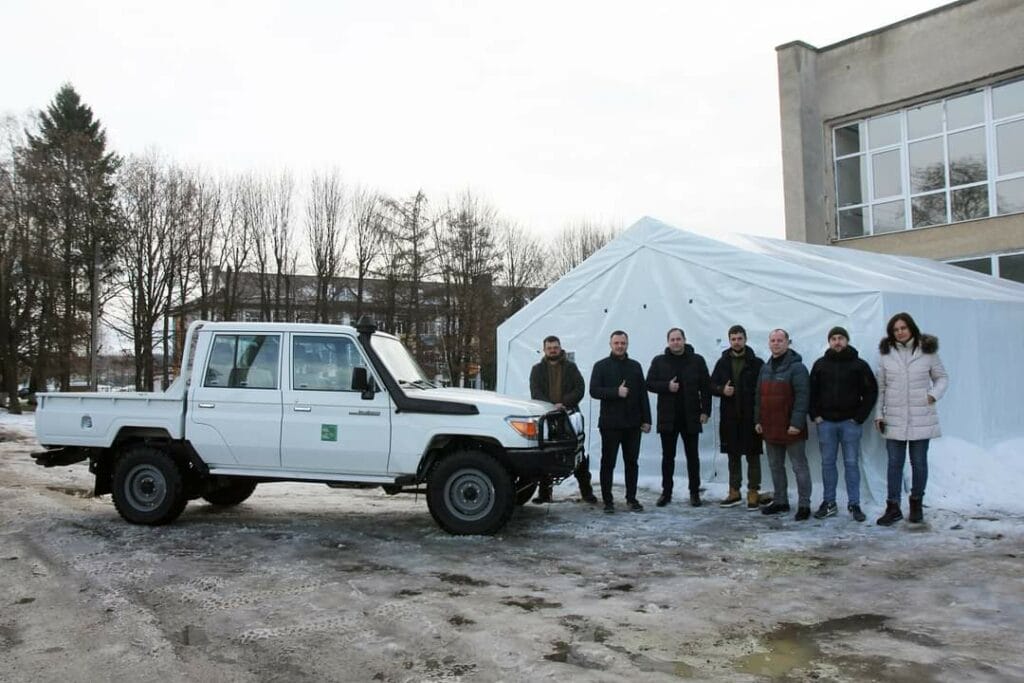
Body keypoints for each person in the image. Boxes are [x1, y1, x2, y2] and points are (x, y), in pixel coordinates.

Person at [874, 313, 948, 526]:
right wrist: (879, 414)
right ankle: (893, 507)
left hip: (920, 416)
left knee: (919, 462)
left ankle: (916, 504)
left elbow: (942, 377)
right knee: (894, 464)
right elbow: (881, 387)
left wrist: (932, 395)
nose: (900, 332)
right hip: (894, 417)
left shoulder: (927, 352)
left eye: (903, 328)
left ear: (911, 328)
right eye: (896, 329)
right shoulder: (886, 354)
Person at [808, 326, 878, 522]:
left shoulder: (859, 365)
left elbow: (871, 392)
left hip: (850, 423)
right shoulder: (820, 365)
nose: (837, 341)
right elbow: (811, 392)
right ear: (829, 342)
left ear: (847, 340)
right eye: (833, 338)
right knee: (827, 463)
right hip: (826, 423)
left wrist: (859, 417)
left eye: (840, 338)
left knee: (851, 463)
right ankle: (829, 502)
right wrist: (815, 415)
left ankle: (854, 504)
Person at [646, 327, 711, 507]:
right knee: (668, 457)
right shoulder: (659, 361)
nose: (675, 342)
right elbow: (649, 383)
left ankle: (694, 493)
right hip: (668, 417)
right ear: (668, 342)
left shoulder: (697, 360)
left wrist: (705, 411)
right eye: (672, 339)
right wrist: (666, 386)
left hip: (691, 416)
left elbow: (705, 387)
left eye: (678, 339)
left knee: (693, 457)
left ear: (684, 340)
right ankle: (666, 493)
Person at [529, 335, 597, 504]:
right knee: (545, 454)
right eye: (549, 348)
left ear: (560, 348)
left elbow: (580, 388)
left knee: (578, 453)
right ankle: (544, 493)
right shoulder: (537, 369)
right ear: (544, 350)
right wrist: (551, 406)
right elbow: (535, 391)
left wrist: (564, 403)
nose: (553, 350)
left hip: (569, 415)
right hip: (547, 416)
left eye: (555, 347)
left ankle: (586, 492)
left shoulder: (571, 367)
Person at [589, 330, 652, 513]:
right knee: (608, 463)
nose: (619, 346)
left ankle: (631, 499)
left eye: (623, 343)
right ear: (610, 344)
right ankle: (608, 501)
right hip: (610, 424)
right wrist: (615, 392)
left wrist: (647, 419)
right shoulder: (601, 366)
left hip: (633, 424)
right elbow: (594, 391)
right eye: (616, 343)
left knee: (632, 463)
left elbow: (642, 394)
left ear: (627, 344)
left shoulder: (635, 366)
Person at [755, 329, 812, 521]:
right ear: (769, 343)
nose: (776, 343)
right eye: (773, 340)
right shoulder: (765, 368)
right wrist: (758, 420)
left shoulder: (798, 368)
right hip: (770, 426)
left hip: (791, 428)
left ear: (788, 343)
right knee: (775, 466)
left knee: (799, 467)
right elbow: (758, 397)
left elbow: (803, 397)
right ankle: (780, 501)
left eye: (780, 340)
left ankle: (804, 504)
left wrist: (796, 423)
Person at [710, 324, 765, 510]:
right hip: (730, 417)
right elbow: (711, 385)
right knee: (733, 455)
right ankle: (734, 491)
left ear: (745, 339)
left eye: (739, 338)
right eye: (733, 339)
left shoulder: (756, 363)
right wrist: (721, 390)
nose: (736, 342)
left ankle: (753, 491)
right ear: (729, 341)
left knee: (753, 455)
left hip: (750, 417)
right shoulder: (723, 362)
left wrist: (760, 417)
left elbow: (763, 390)